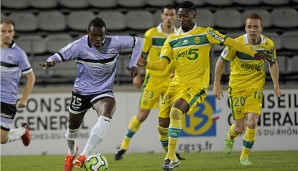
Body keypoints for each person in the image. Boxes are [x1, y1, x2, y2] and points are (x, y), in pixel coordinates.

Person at [137, 1, 270, 170]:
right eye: (180, 16)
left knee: (176, 112)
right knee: (162, 123)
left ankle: (170, 158)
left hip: (196, 86)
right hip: (175, 85)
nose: (181, 19)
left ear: (194, 16)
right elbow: (163, 65)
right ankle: (171, 155)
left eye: (185, 15)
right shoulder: (171, 40)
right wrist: (146, 63)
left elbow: (230, 42)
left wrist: (253, 52)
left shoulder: (206, 33)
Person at [40, 17, 143, 171]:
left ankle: (84, 155)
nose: (99, 39)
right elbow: (59, 55)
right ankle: (71, 152)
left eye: (101, 35)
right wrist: (50, 61)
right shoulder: (79, 46)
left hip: (103, 91)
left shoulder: (115, 42)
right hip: (81, 92)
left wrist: (133, 63)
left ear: (105, 34)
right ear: (88, 34)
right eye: (95, 35)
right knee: (72, 129)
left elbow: (139, 41)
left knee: (106, 114)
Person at [114, 4, 185, 161]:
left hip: (171, 82)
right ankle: (123, 145)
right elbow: (138, 54)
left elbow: (181, 57)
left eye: (172, 15)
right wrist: (137, 76)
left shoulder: (179, 35)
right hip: (152, 80)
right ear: (161, 16)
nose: (169, 17)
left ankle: (171, 153)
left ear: (176, 17)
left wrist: (177, 71)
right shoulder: (151, 34)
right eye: (166, 14)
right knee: (142, 115)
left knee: (169, 117)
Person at [213, 14, 282, 166]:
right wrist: (216, 84)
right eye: (249, 27)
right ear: (245, 28)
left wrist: (276, 85)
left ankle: (244, 157)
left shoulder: (268, 44)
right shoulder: (236, 43)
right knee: (239, 127)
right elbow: (220, 61)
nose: (252, 30)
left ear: (261, 29)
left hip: (256, 86)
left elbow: (273, 63)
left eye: (256, 26)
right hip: (237, 87)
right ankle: (230, 136)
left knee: (252, 122)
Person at [0, 19, 35, 146]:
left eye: (10, 31)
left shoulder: (19, 54)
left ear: (14, 33)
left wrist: (24, 99)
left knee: (2, 139)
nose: (6, 34)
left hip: (7, 100)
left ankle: (23, 131)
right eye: (3, 31)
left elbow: (31, 77)